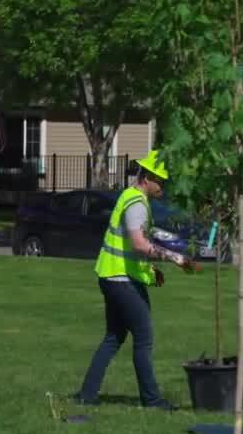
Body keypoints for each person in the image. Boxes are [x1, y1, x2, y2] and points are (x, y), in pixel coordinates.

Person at [74, 150, 192, 410]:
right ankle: (152, 400)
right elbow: (139, 245)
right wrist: (175, 258)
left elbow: (131, 250)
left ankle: (86, 395)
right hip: (119, 279)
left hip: (112, 274)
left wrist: (150, 273)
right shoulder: (136, 203)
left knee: (114, 337)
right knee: (144, 337)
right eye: (161, 181)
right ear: (147, 177)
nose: (163, 186)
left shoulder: (132, 198)